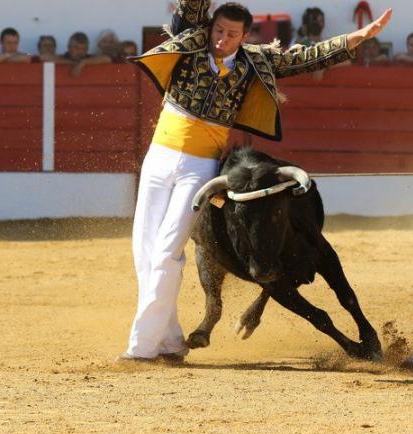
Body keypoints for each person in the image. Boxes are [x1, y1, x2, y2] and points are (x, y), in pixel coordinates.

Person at [119, 0, 392, 363]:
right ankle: (169, 341)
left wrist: (357, 37)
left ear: (245, 36)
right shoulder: (193, 40)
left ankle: (142, 348)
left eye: (232, 35)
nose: (221, 39)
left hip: (198, 168)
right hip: (158, 158)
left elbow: (306, 58)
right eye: (218, 31)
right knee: (144, 253)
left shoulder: (255, 62)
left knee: (168, 250)